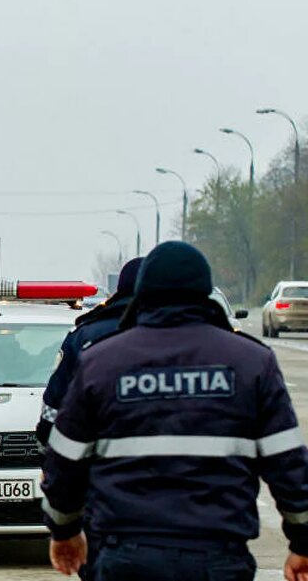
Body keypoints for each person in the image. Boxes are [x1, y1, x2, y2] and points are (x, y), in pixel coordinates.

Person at [42, 242, 308, 581]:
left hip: (126, 559)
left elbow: (64, 462)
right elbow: (288, 463)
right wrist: (302, 542)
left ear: (142, 293)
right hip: (218, 559)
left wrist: (64, 531)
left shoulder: (101, 363)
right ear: (205, 293)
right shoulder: (251, 362)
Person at [37, 257, 142, 446]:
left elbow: (55, 404)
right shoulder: (179, 335)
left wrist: (49, 454)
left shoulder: (84, 336)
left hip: (98, 461)